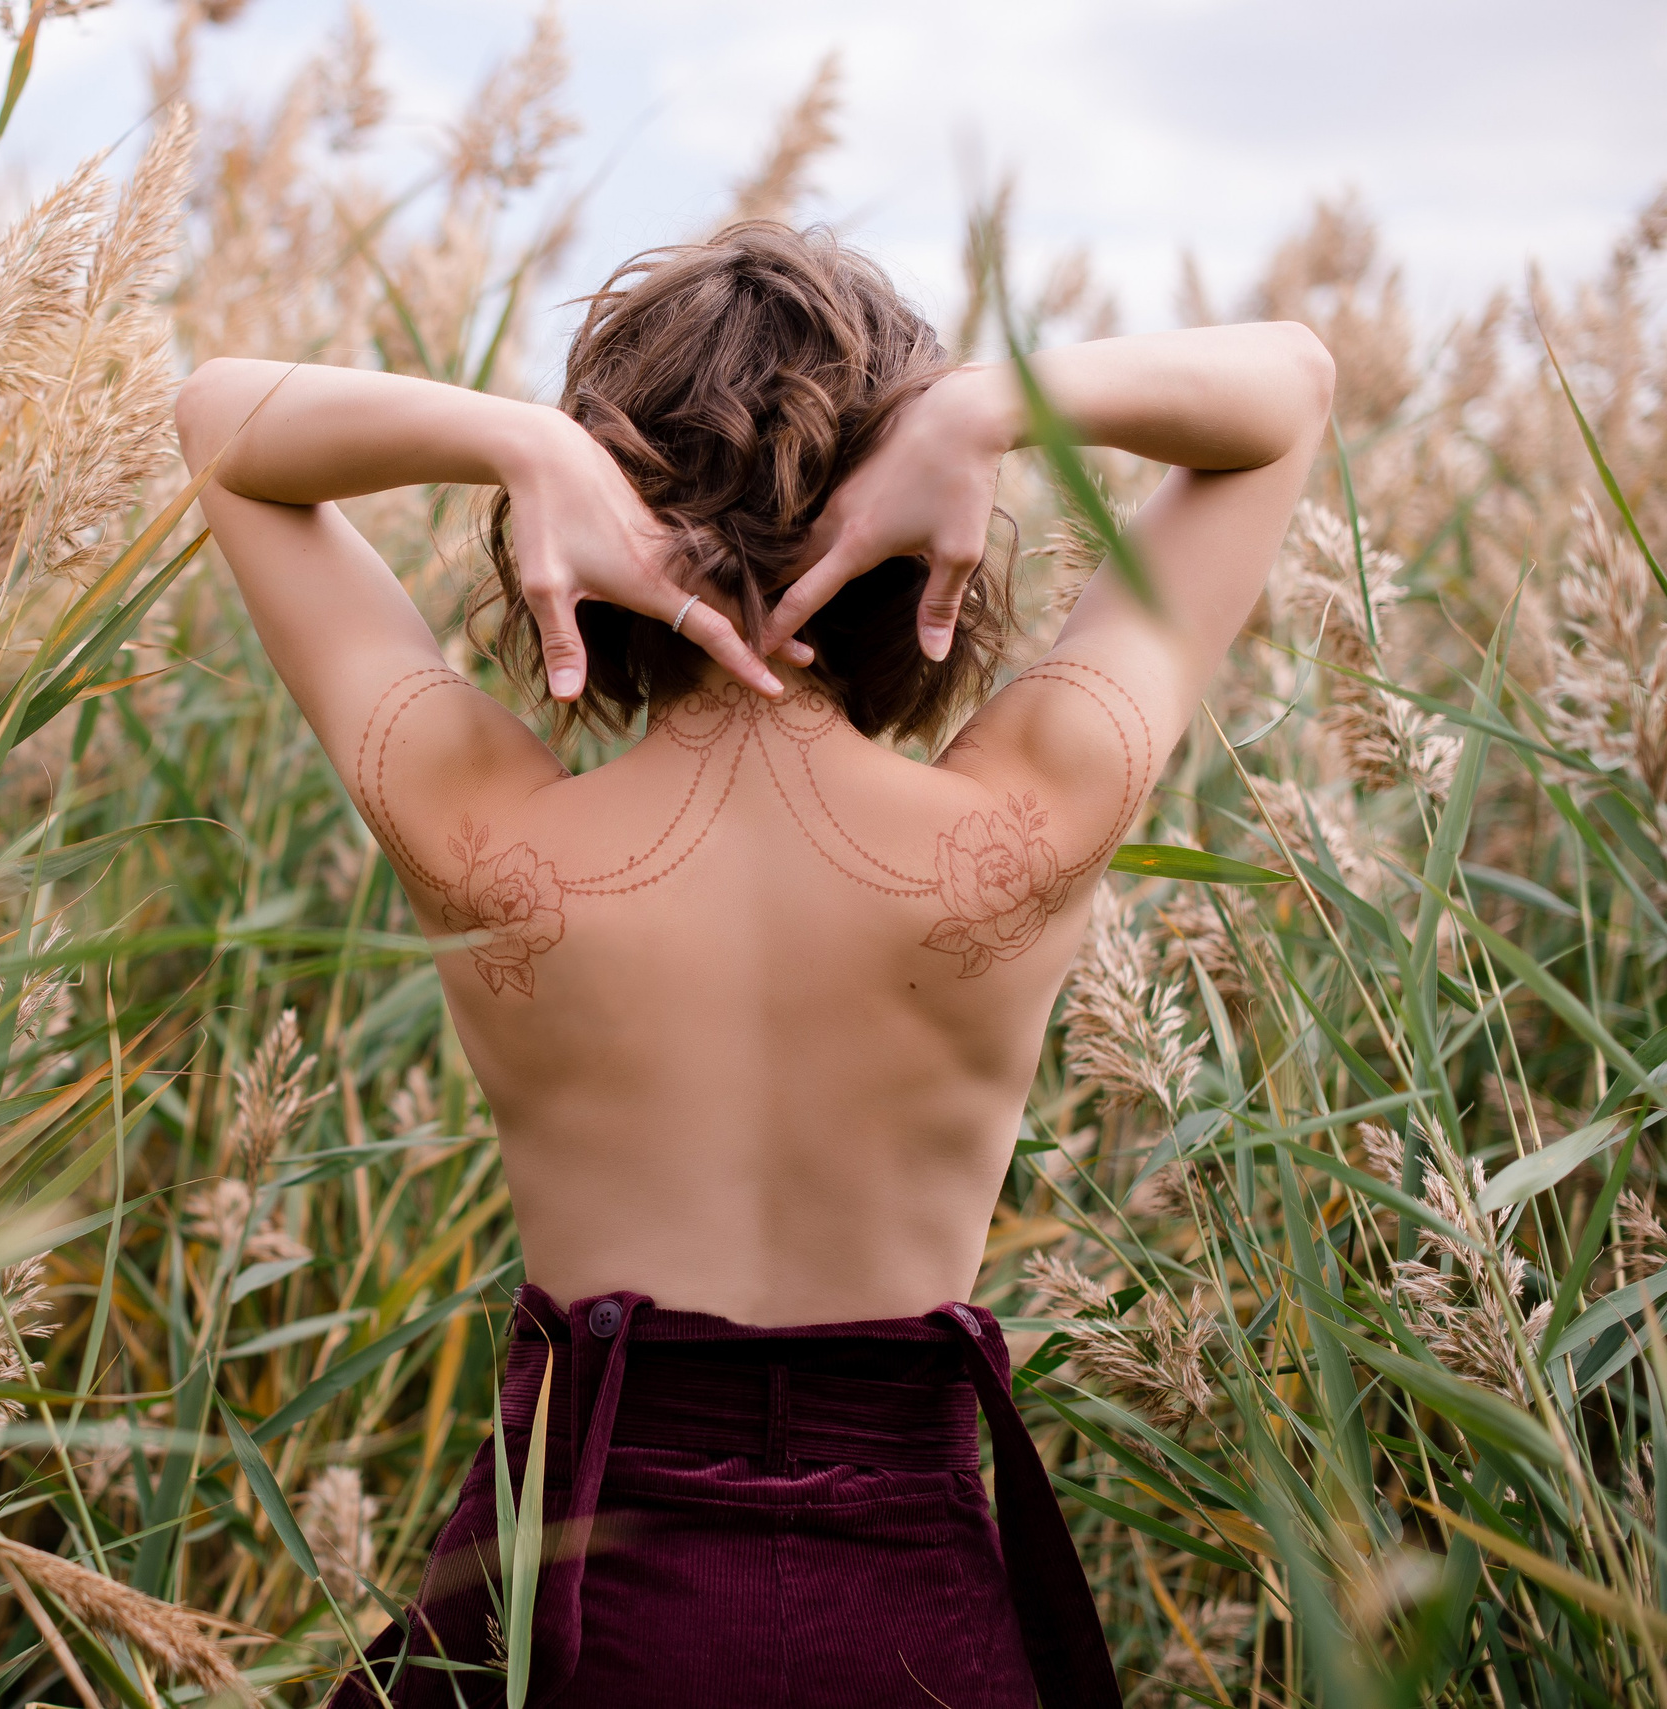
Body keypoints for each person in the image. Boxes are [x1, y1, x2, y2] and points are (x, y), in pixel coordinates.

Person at [175, 221, 1333, 1709]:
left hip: (574, 1610)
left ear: (595, 523)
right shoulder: (1026, 818)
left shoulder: (492, 841)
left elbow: (220, 417)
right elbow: (1287, 388)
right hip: (910, 1613)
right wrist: (980, 406)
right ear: (931, 522)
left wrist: (513, 439)